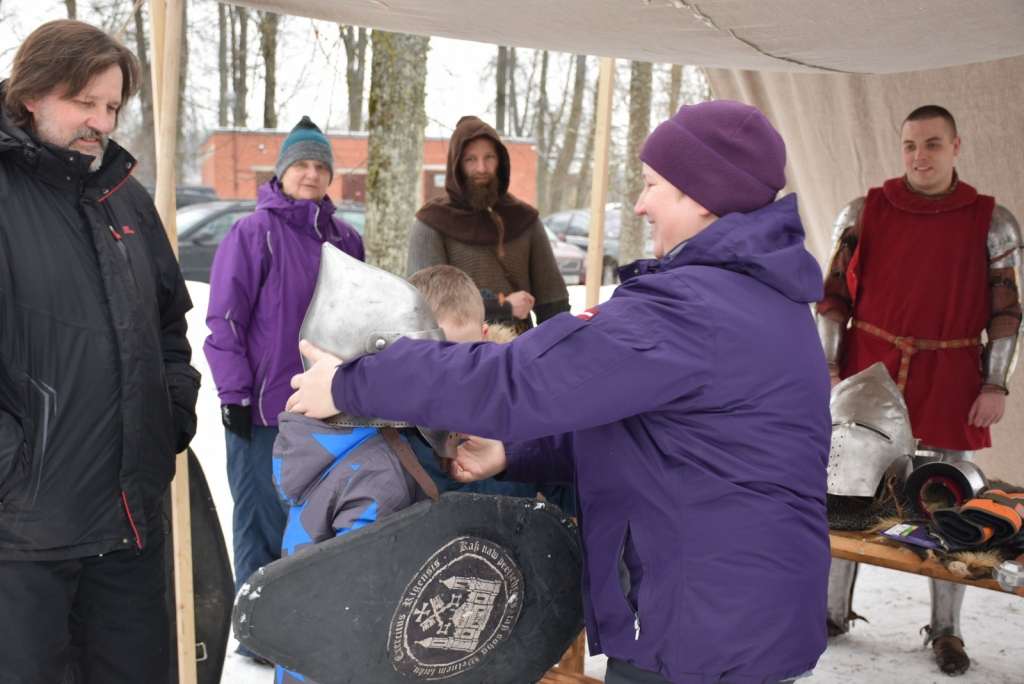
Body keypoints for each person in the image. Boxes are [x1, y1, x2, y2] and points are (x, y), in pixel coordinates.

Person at [288, 100, 833, 684]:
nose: (642, 203)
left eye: (653, 186)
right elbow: (669, 443)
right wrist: (518, 452)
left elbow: (518, 379)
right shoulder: (767, 301)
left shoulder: (690, 309)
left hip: (704, 629)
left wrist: (356, 380)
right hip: (744, 613)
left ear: (701, 196)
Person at [0, 20, 200, 682]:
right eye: (85, 101)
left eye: (112, 107)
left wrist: (169, 414)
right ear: (32, 94)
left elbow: (170, 324)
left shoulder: (127, 199)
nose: (101, 121)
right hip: (24, 536)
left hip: (129, 526)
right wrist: (11, 462)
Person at [816, 104, 1022, 676]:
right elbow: (833, 297)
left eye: (932, 144)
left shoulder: (993, 221)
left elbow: (1008, 313)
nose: (919, 156)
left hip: (951, 374)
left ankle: (947, 630)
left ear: (956, 146)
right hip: (869, 368)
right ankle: (831, 612)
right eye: (910, 145)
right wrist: (831, 366)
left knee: (949, 503)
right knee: (846, 492)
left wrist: (994, 383)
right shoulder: (865, 212)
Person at [203, 115, 363, 663]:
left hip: (326, 406)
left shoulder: (346, 239)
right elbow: (224, 322)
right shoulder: (253, 233)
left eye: (321, 165)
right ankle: (256, 632)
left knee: (313, 520)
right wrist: (234, 396)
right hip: (264, 408)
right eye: (302, 164)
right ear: (282, 172)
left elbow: (358, 320)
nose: (312, 173)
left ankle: (300, 622)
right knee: (258, 520)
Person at [406, 265, 574, 512]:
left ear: (483, 337)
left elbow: (578, 497)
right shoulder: (392, 426)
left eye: (462, 357)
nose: (449, 377)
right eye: (432, 362)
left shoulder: (518, 408)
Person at [407, 116, 569, 333]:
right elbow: (426, 306)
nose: (481, 168)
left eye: (489, 157)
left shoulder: (524, 219)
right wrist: (503, 307)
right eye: (470, 159)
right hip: (458, 352)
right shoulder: (431, 223)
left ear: (500, 161)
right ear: (456, 164)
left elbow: (553, 304)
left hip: (518, 348)